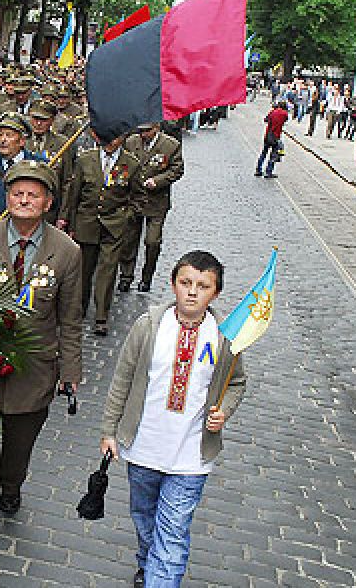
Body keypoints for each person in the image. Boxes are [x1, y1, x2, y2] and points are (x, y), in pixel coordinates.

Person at [0, 160, 84, 567]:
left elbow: (70, 317)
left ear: (47, 203)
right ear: (7, 199)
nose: (24, 200)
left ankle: (12, 485)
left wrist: (70, 372)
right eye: (17, 193)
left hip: (34, 370)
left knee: (17, 450)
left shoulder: (67, 251)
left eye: (33, 195)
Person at [99, 251, 248, 588]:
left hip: (190, 455)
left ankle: (160, 577)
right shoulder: (149, 327)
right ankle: (146, 563)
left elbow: (236, 381)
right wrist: (109, 430)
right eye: (186, 283)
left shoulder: (226, 337)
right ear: (173, 285)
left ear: (216, 293)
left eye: (203, 286)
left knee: (174, 530)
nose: (193, 292)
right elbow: (122, 378)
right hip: (144, 446)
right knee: (144, 516)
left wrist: (224, 410)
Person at [63, 134, 142, 336]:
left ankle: (101, 315)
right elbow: (74, 194)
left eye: (114, 137)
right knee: (84, 271)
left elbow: (138, 198)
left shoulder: (131, 164)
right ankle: (78, 309)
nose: (110, 141)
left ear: (122, 138)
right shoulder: (85, 159)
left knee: (107, 271)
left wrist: (126, 218)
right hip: (86, 223)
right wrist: (68, 221)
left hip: (114, 226)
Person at [119, 123, 184, 293]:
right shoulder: (131, 142)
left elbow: (177, 170)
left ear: (156, 128)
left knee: (152, 241)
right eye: (140, 131)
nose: (143, 134)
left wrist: (158, 181)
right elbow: (123, 163)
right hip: (134, 200)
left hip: (156, 202)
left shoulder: (171, 145)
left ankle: (146, 278)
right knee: (129, 240)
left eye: (147, 131)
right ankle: (126, 277)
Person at [256, 102, 287, 178]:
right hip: (276, 136)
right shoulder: (284, 114)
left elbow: (266, 120)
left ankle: (258, 170)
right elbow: (285, 120)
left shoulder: (273, 111)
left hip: (268, 135)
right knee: (273, 155)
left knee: (264, 153)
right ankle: (268, 172)